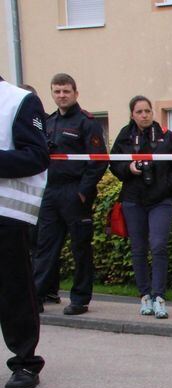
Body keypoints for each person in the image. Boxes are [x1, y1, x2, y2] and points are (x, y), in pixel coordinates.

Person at [33, 73, 107, 315]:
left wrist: (83, 193)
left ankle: (80, 298)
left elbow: (98, 161)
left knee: (80, 248)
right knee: (45, 247)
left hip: (74, 192)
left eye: (66, 91)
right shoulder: (50, 122)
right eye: (57, 91)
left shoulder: (87, 122)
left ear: (76, 93)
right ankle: (36, 297)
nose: (61, 96)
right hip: (52, 192)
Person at [108, 96, 172, 319]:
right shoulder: (124, 136)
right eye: (139, 111)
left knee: (159, 244)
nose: (144, 115)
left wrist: (170, 186)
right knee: (138, 248)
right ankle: (145, 295)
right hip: (134, 199)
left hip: (161, 200)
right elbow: (113, 164)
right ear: (132, 114)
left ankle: (159, 295)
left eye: (147, 111)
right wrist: (128, 168)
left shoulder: (165, 136)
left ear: (152, 112)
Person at [0, 75, 48, 388]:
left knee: (13, 291)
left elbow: (36, 155)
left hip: (7, 214)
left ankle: (26, 363)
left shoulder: (18, 101)